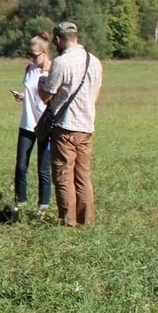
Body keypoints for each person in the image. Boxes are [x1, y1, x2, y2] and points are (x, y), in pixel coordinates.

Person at [38, 21, 103, 227]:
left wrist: (41, 84)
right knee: (83, 175)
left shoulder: (61, 63)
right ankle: (86, 221)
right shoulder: (94, 61)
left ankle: (68, 222)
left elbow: (47, 96)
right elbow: (95, 95)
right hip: (87, 126)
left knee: (64, 175)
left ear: (57, 39)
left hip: (65, 127)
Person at [11, 32, 53, 214]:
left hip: (45, 127)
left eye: (34, 54)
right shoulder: (30, 69)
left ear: (45, 52)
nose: (31, 58)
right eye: (29, 54)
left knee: (43, 169)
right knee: (21, 166)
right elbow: (32, 92)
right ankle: (20, 202)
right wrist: (23, 96)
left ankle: (42, 208)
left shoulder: (54, 71)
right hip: (26, 124)